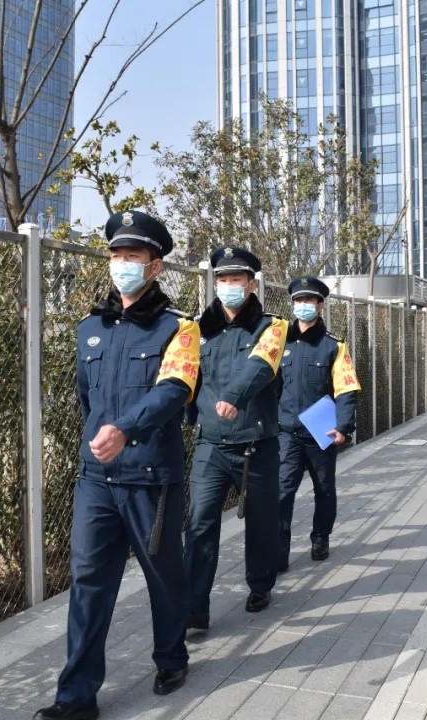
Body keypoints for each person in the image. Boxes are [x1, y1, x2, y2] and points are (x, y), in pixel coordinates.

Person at [35, 211, 200, 720]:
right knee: (88, 581)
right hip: (96, 479)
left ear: (155, 266)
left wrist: (125, 429)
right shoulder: (90, 328)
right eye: (117, 255)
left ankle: (171, 658)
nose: (122, 264)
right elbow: (86, 400)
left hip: (151, 478)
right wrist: (102, 438)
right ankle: (76, 698)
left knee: (163, 576)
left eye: (134, 256)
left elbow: (174, 390)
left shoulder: (181, 329)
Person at [184, 246, 288, 634]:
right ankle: (194, 608)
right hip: (211, 444)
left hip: (256, 444)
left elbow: (261, 366)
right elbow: (188, 377)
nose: (229, 285)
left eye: (236, 279)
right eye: (223, 279)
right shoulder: (197, 329)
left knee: (261, 522)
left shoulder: (272, 327)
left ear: (251, 284)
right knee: (199, 522)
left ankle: (260, 584)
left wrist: (233, 396)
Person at [276, 275, 360, 571]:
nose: (303, 305)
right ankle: (278, 550)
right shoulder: (280, 343)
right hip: (286, 432)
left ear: (320, 306)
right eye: (298, 300)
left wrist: (343, 426)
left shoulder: (334, 346)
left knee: (324, 489)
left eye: (308, 300)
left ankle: (321, 537)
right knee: (282, 492)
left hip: (320, 430)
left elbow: (346, 388)